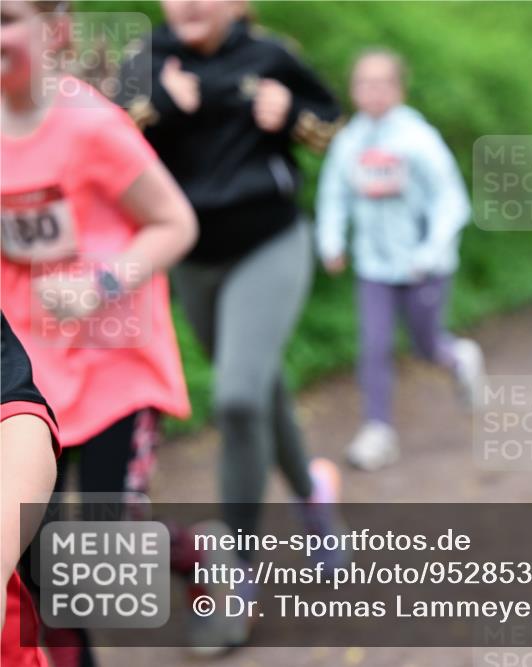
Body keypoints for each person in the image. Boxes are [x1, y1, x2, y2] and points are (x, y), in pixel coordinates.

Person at [116, 0, 345, 648]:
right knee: (262, 391)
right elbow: (102, 142)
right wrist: (155, 101)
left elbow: (332, 126)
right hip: (192, 256)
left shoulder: (270, 55)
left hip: (268, 242)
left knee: (239, 397)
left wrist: (293, 117)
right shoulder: (149, 60)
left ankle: (236, 579)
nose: (188, 2)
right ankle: (314, 500)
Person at [1, 2, 197, 662]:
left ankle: (201, 555)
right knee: (40, 566)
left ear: (53, 28)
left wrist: (100, 284)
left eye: (5, 19)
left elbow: (175, 222)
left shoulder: (88, 123)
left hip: (115, 364)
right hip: (32, 375)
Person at [317, 48, 484, 472]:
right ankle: (377, 430)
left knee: (427, 347)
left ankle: (458, 356)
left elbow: (451, 200)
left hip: (424, 266)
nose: (372, 91)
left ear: (398, 88)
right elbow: (334, 195)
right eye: (363, 82)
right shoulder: (349, 142)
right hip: (374, 268)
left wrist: (428, 252)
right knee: (374, 346)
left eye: (381, 82)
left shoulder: (418, 139)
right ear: (353, 90)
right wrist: (331, 242)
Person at [2, 314, 59, 667]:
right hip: (50, 382)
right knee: (49, 567)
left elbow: (14, 410)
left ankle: (195, 553)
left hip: (110, 389)